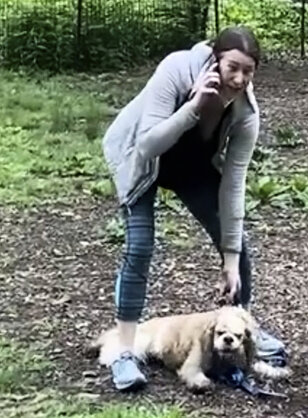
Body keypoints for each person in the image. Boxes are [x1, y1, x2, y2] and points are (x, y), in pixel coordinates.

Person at [100, 26, 285, 392]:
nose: (239, 78)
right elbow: (148, 145)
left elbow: (233, 186)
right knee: (140, 246)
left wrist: (230, 259)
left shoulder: (246, 112)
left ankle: (240, 333)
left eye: (248, 71)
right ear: (216, 61)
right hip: (140, 159)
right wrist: (194, 107)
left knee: (237, 247)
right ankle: (123, 352)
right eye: (232, 67)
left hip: (190, 166)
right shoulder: (177, 69)